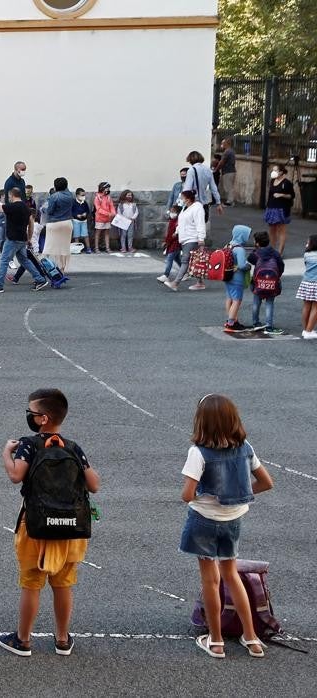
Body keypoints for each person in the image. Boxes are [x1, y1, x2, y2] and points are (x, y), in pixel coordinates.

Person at [0, 389, 101, 657]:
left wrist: (7, 454)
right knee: (63, 582)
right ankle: (63, 639)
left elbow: (16, 476)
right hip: (71, 529)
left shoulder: (29, 444)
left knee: (32, 582)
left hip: (36, 525)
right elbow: (94, 484)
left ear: (43, 418)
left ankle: (23, 639)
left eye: (31, 413)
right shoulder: (72, 447)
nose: (29, 416)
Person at [180, 394, 273, 659]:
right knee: (232, 575)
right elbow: (267, 482)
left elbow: (187, 494)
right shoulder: (245, 447)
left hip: (203, 520)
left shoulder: (198, 452)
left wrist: (203, 496)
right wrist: (239, 494)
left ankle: (216, 640)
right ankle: (252, 637)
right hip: (233, 519)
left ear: (202, 422)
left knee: (210, 580)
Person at [0, 188, 46, 293]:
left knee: (4, 261)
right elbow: (30, 224)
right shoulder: (26, 208)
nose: (9, 199)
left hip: (13, 239)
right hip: (23, 239)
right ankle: (40, 280)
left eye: (9, 197)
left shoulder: (13, 207)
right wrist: (29, 238)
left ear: (12, 196)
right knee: (24, 260)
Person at [165, 191, 207, 292]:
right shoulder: (185, 208)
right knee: (194, 261)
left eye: (182, 198)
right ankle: (200, 283)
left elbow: (200, 224)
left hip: (192, 238)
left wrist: (201, 239)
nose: (181, 200)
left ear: (188, 199)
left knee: (185, 260)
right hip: (185, 238)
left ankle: (175, 283)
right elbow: (182, 221)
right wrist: (177, 231)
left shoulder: (197, 208)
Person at [246, 230, 285, 335]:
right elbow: (281, 266)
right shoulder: (275, 253)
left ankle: (256, 323)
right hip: (272, 283)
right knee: (269, 303)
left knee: (256, 302)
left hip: (258, 283)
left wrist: (255, 250)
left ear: (257, 243)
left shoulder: (256, 254)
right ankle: (269, 325)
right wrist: (276, 277)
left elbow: (250, 259)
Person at [222, 225, 252, 333]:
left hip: (227, 276)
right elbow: (242, 265)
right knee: (237, 300)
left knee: (229, 298)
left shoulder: (228, 245)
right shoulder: (239, 249)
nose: (247, 238)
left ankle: (232, 319)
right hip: (237, 277)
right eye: (246, 235)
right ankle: (231, 323)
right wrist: (248, 266)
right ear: (242, 235)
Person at [43, 178, 75, 272]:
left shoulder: (54, 196)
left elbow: (50, 211)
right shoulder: (70, 195)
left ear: (55, 186)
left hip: (54, 223)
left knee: (49, 247)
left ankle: (46, 267)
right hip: (67, 223)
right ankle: (62, 268)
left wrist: (44, 209)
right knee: (64, 248)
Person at [184, 151, 225, 223]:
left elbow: (187, 189)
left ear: (190, 160)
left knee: (191, 229)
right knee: (201, 227)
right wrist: (218, 203)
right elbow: (214, 188)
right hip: (204, 205)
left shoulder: (191, 170)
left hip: (194, 204)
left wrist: (182, 202)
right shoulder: (208, 170)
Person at [264, 164, 295, 254]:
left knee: (281, 230)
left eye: (276, 170)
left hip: (282, 209)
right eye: (273, 170)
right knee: (272, 230)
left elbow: (292, 195)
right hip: (271, 207)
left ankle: (280, 252)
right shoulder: (272, 181)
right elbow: (270, 194)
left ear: (281, 172)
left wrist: (282, 195)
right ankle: (272, 250)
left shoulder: (287, 183)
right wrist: (268, 206)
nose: (273, 172)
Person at [158, 204, 183, 283]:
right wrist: (166, 241)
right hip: (172, 243)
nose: (171, 213)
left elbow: (174, 235)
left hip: (175, 243)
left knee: (169, 259)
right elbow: (169, 233)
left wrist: (167, 241)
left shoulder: (178, 222)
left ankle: (166, 275)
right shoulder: (172, 221)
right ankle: (185, 272)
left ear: (178, 213)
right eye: (171, 211)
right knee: (177, 259)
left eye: (173, 212)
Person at [298, 235, 317, 339]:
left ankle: (305, 330)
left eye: (308, 242)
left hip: (306, 282)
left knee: (306, 306)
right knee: (316, 307)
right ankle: (309, 331)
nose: (306, 244)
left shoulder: (307, 254)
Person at [92, 183, 115, 254]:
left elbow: (111, 206)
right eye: (107, 188)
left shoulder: (108, 197)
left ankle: (107, 248)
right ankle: (96, 248)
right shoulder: (97, 197)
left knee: (107, 233)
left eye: (108, 188)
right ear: (102, 188)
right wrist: (108, 213)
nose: (108, 189)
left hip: (107, 219)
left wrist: (113, 213)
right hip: (99, 219)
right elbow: (98, 209)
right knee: (98, 233)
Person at [214, 138, 237, 206]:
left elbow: (222, 162)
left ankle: (229, 202)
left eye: (222, 143)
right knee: (230, 186)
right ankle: (230, 201)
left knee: (228, 187)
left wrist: (216, 169)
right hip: (231, 171)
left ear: (226, 144)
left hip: (228, 171)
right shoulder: (232, 151)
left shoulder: (227, 152)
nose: (221, 145)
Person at [71, 188, 90, 254]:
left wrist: (85, 214)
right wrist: (76, 215)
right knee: (76, 235)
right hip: (76, 221)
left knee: (85, 234)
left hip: (84, 221)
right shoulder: (73, 202)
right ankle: (77, 249)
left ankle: (88, 248)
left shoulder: (85, 203)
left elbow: (88, 211)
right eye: (82, 195)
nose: (83, 196)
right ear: (77, 195)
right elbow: (71, 212)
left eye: (84, 195)